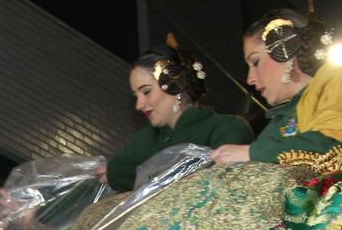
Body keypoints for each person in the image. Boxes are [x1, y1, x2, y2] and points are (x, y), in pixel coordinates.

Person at [212, 9, 342, 171]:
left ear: (284, 49)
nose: (250, 79)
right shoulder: (281, 120)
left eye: (256, 62)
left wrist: (251, 154)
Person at [105, 37, 254, 189]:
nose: (139, 105)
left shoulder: (228, 128)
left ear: (175, 85)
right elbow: (115, 172)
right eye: (136, 96)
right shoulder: (144, 139)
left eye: (146, 91)